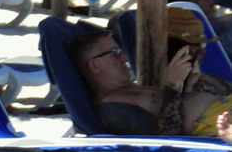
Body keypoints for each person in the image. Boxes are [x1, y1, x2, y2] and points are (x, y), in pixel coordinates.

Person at [72, 16, 232, 137]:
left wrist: (188, 83)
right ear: (95, 65)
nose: (125, 58)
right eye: (115, 54)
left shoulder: (130, 90)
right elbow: (164, 138)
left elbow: (179, 106)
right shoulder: (112, 107)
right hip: (220, 125)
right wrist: (171, 83)